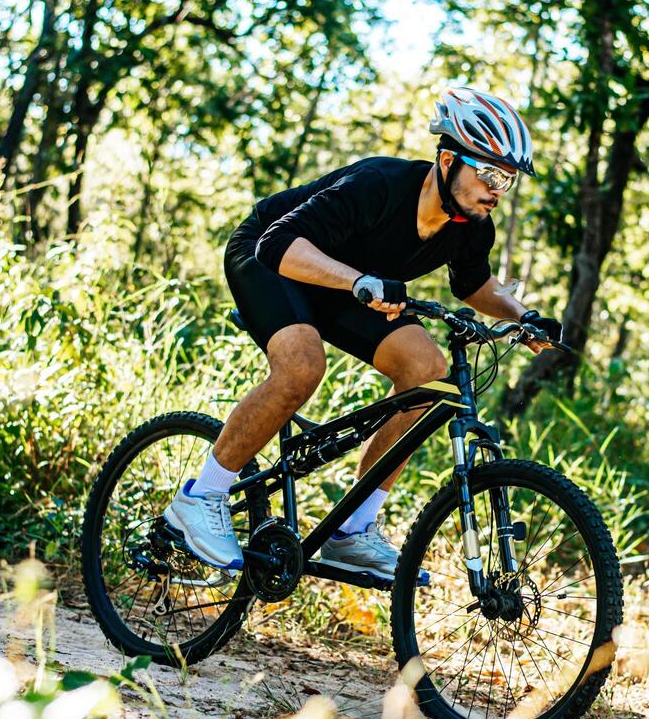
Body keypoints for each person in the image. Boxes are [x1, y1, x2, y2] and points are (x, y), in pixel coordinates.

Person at [161, 86, 563, 581]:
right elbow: (279, 243)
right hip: (271, 255)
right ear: (446, 160)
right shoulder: (378, 184)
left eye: (508, 178)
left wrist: (523, 315)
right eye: (489, 172)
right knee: (302, 366)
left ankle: (351, 530)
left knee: (429, 375)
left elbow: (474, 285)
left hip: (350, 282)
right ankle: (201, 495)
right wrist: (358, 280)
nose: (498, 188)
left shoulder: (472, 225)